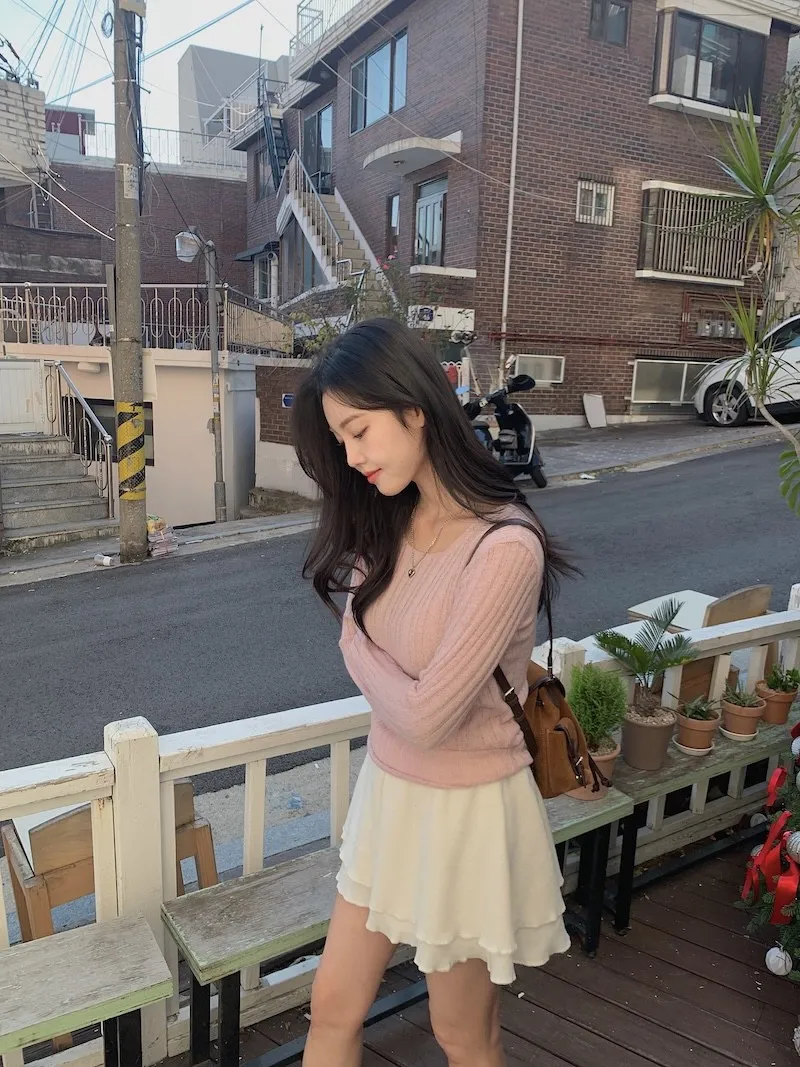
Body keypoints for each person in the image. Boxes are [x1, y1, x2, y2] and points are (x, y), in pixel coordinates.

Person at [292, 318, 574, 1067]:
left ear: (414, 407)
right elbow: (388, 675)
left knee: (462, 1034)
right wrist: (365, 647)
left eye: (359, 432)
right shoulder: (392, 517)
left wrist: (355, 643)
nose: (352, 457)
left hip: (467, 813)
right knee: (332, 1008)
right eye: (341, 441)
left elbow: (425, 715)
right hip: (389, 797)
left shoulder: (504, 546)